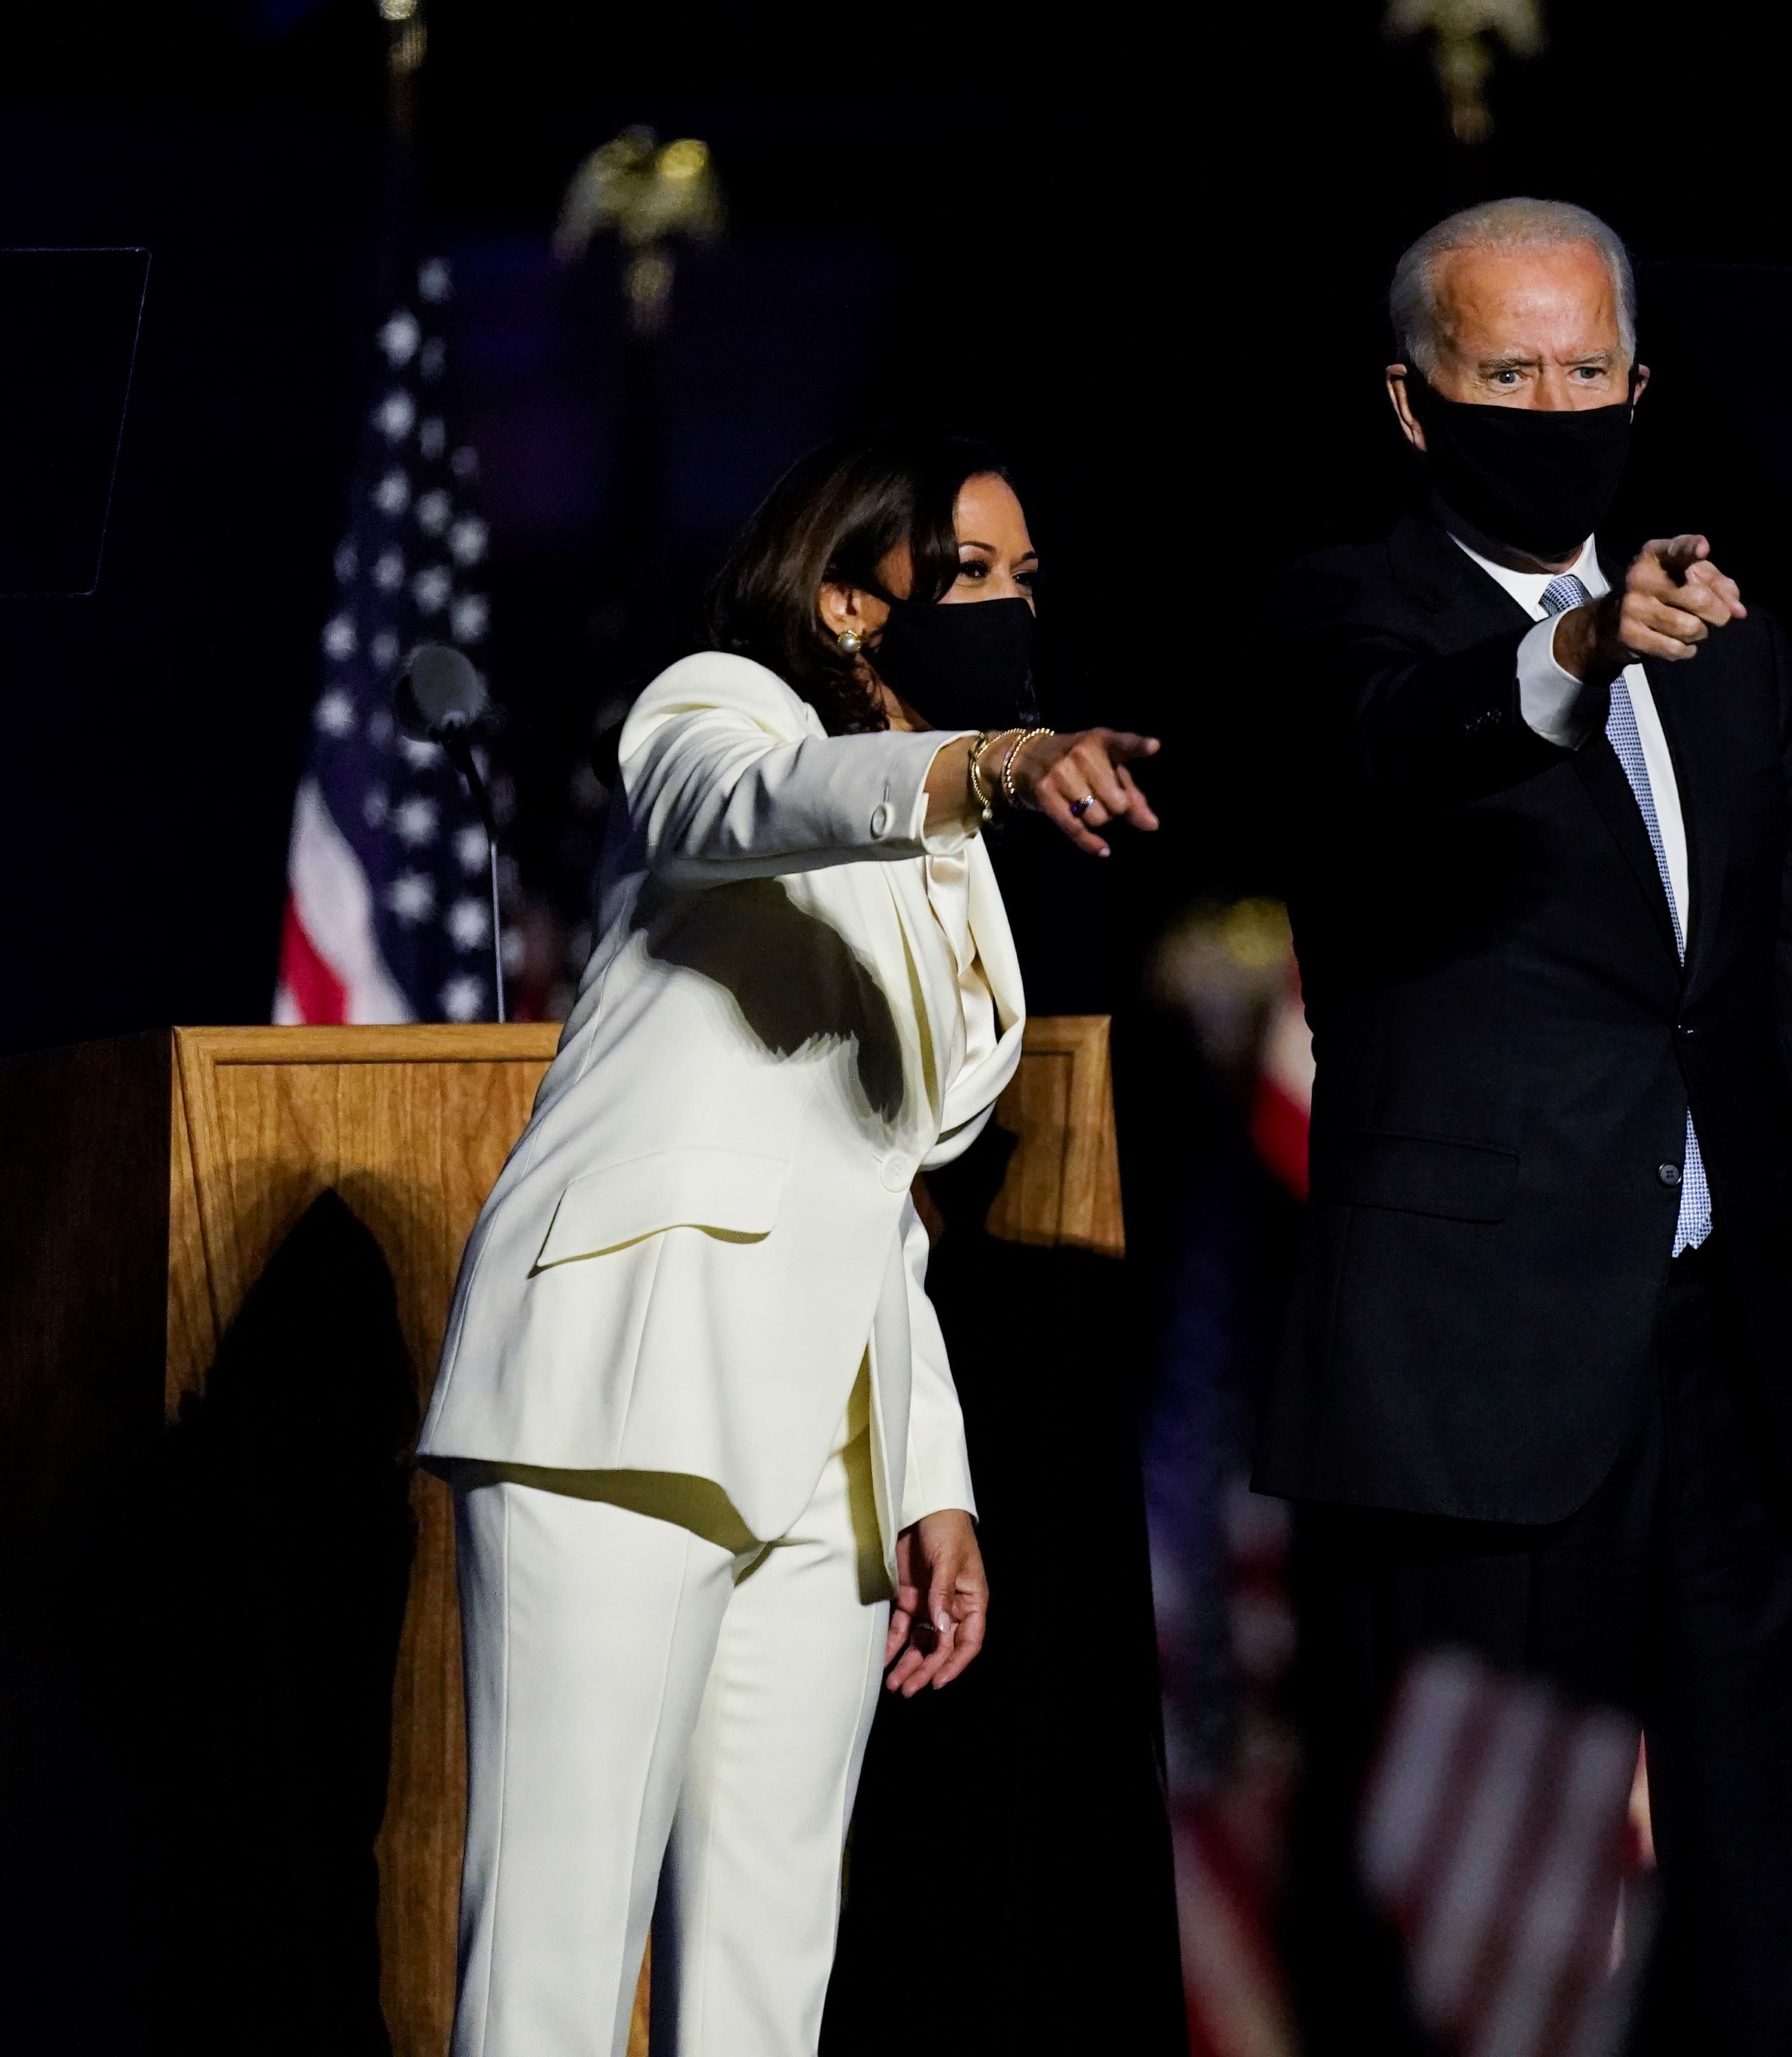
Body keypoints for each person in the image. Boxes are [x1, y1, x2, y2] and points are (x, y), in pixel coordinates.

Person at [1260, 197, 1792, 2055]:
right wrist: (1573, 661)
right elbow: (1400, 736)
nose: (1549, 405)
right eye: (1504, 373)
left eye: (1584, 372)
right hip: (1475, 1378)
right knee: (1493, 1928)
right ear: (1413, 402)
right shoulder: (1346, 612)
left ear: (1640, 384)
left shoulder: (1737, 650)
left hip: (1731, 1359)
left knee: (1778, 1892)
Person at [415, 426, 1159, 2057]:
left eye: (1028, 580)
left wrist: (934, 1477)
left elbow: (872, 1185)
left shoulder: (953, 865)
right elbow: (739, 802)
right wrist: (978, 768)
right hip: (623, 1397)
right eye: (970, 574)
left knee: (767, 1953)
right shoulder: (718, 707)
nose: (1012, 608)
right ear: (845, 602)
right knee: (558, 1929)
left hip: (832, 1452)